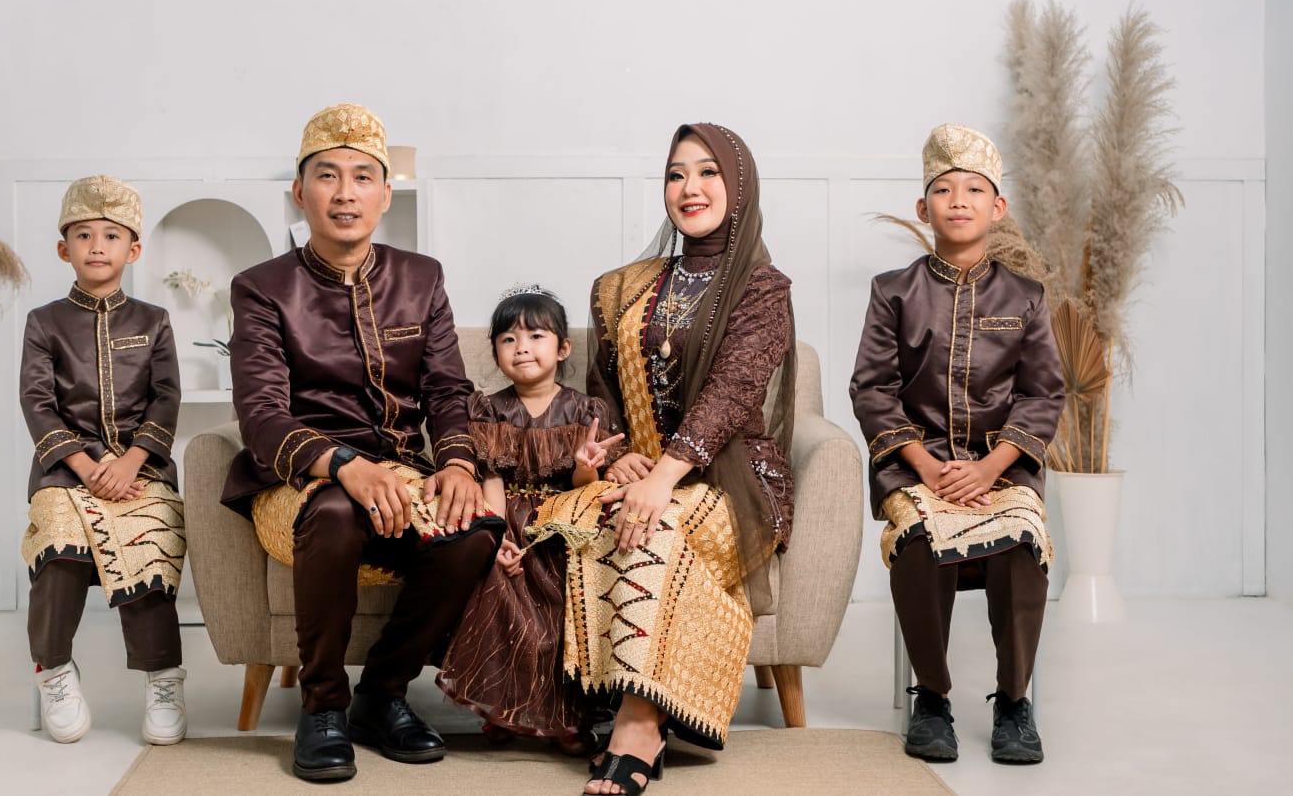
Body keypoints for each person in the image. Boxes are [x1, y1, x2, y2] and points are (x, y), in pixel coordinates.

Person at [221, 103, 500, 783]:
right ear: (299, 191)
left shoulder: (421, 278)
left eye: (361, 177)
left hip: (400, 476)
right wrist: (344, 465)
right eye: (327, 176)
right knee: (336, 509)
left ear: (385, 194)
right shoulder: (261, 288)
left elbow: (447, 389)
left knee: (473, 531)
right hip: (300, 483)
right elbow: (261, 414)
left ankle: (382, 693)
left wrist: (456, 463)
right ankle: (323, 707)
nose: (345, 193)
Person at [524, 123, 795, 796]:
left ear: (739, 185)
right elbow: (602, 389)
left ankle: (640, 726)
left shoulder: (762, 288)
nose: (689, 187)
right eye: (676, 174)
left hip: (735, 480)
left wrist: (666, 476)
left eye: (708, 172)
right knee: (585, 519)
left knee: (652, 526)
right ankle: (592, 702)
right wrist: (614, 457)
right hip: (645, 471)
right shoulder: (623, 288)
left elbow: (734, 391)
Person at [849, 124, 1065, 765]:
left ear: (998, 208)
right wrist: (925, 464)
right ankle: (933, 698)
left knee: (1021, 541)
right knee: (918, 539)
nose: (959, 200)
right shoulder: (893, 291)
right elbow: (872, 388)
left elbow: (1043, 394)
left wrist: (993, 467)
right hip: (915, 469)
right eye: (944, 189)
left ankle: (1014, 702)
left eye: (974, 189)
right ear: (924, 208)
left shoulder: (1026, 297)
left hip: (1005, 471)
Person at [19, 175, 187, 746]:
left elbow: (166, 397)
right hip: (64, 473)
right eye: (83, 235)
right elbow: (37, 403)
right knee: (60, 546)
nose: (97, 246)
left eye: (111, 236)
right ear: (62, 248)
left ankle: (163, 679)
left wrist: (132, 461)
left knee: (149, 537)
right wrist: (88, 468)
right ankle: (54, 671)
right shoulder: (44, 323)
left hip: (143, 471)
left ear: (132, 250)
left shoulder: (153, 320)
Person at [436, 286, 626, 752]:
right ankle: (507, 710)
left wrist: (585, 465)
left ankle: (566, 719)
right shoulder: (488, 409)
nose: (521, 347)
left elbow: (584, 488)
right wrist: (498, 536)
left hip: (563, 523)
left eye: (536, 336)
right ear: (495, 352)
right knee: (502, 604)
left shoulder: (586, 410)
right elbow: (492, 478)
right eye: (508, 339)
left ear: (562, 348)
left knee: (560, 615)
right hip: (511, 520)